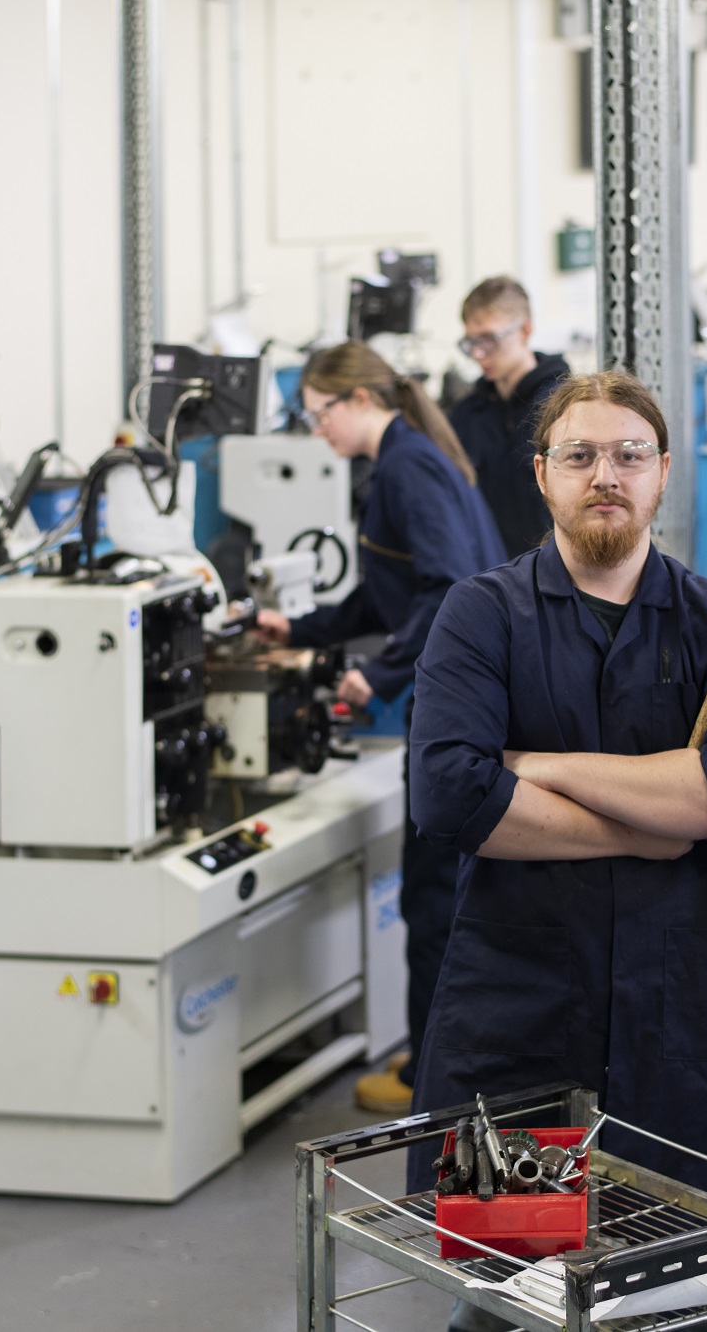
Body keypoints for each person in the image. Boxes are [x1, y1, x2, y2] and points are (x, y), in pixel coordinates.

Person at [405, 369, 707, 1202]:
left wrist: (535, 766)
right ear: (542, 474)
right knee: (500, 1292)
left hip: (682, 1018)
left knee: (687, 1289)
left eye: (628, 454)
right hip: (516, 1017)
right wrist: (651, 825)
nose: (605, 475)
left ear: (663, 471)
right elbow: (448, 795)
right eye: (580, 455)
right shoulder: (481, 615)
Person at [251, 341, 506, 1116]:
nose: (316, 429)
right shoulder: (405, 460)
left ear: (358, 400)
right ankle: (434, 1046)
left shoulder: (405, 467)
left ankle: (431, 1075)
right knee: (437, 892)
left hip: (458, 704)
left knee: (432, 898)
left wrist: (380, 673)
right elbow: (382, 597)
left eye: (319, 413)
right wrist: (296, 625)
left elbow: (446, 588)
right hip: (461, 694)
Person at [445, 276, 571, 558]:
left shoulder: (565, 407)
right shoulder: (467, 416)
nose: (478, 354)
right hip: (490, 577)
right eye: (470, 343)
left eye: (489, 340)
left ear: (525, 331)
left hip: (555, 575)